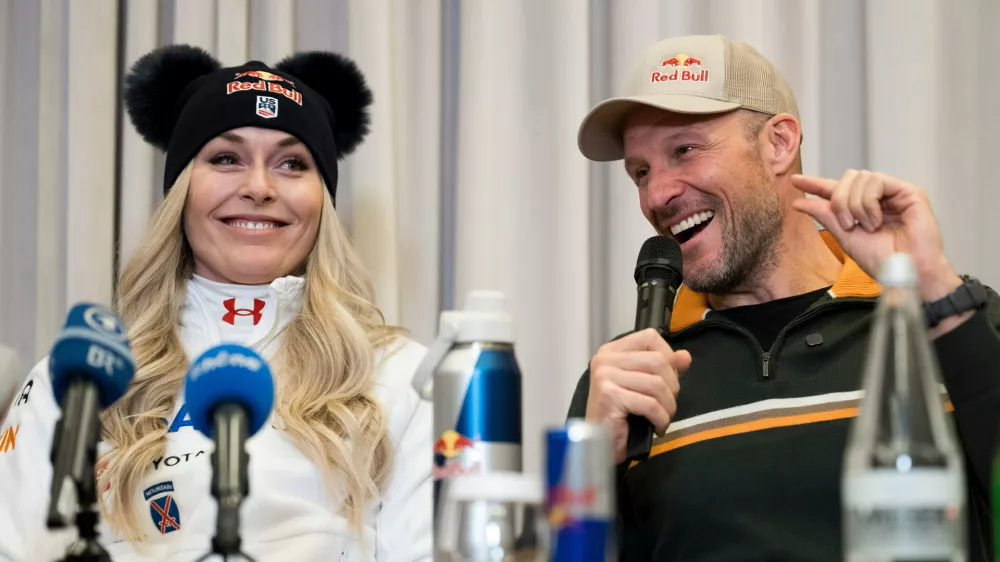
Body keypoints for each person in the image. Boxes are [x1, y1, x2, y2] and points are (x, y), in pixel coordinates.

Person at [568, 34, 1000, 561]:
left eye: (684, 150)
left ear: (779, 143)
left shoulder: (945, 319)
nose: (657, 195)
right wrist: (589, 465)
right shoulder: (627, 376)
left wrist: (930, 285)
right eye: (641, 172)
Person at [0, 45, 431, 561]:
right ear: (181, 190)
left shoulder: (405, 377)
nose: (258, 187)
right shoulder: (81, 379)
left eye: (292, 163)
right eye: (226, 158)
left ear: (324, 200)